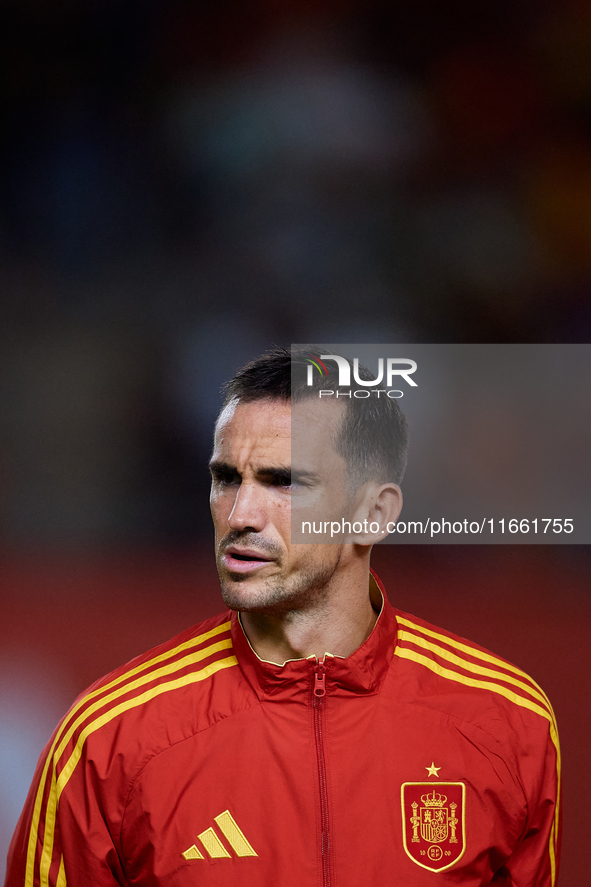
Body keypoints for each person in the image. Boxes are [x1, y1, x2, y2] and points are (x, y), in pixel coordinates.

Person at [5, 348, 560, 886]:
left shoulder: (507, 724)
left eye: (284, 482)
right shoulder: (109, 740)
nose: (241, 514)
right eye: (227, 478)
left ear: (373, 514)